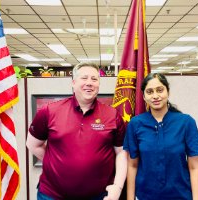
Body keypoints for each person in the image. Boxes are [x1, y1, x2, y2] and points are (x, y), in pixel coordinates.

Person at [26, 62, 127, 200]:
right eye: (84, 78)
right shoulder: (49, 111)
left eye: (94, 79)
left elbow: (121, 153)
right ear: (73, 83)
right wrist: (57, 163)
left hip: (99, 195)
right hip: (52, 195)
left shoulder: (112, 115)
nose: (89, 83)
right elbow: (33, 144)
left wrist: (117, 186)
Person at [123, 73, 198, 200]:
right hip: (146, 196)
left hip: (180, 196)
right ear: (144, 96)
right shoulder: (135, 124)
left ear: (168, 92)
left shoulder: (186, 122)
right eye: (149, 92)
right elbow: (132, 165)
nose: (155, 96)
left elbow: (195, 168)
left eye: (160, 90)